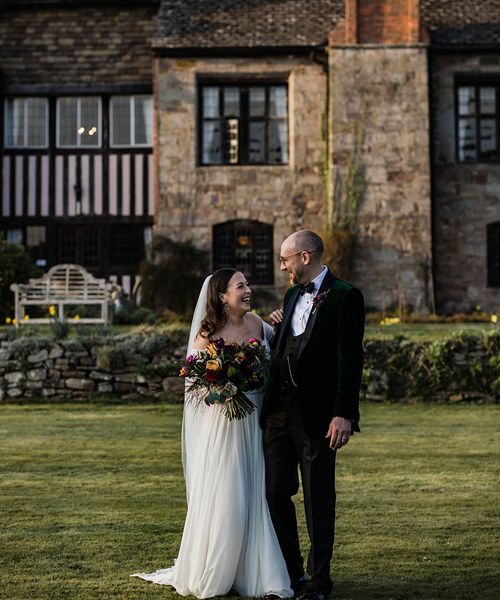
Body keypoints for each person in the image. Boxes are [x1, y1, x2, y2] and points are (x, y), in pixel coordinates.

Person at [132, 268, 293, 600]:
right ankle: (217, 569)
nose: (248, 290)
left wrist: (279, 326)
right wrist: (225, 387)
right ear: (222, 296)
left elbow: (277, 356)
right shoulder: (207, 333)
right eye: (240, 286)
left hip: (254, 422)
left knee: (253, 493)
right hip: (224, 425)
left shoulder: (258, 325)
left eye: (247, 284)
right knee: (227, 494)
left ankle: (254, 572)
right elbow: (198, 386)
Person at [261, 231, 365, 600]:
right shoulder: (291, 296)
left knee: (318, 498)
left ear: (305, 257)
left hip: (319, 416)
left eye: (285, 259)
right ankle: (291, 575)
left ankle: (319, 580)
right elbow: (288, 346)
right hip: (277, 412)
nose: (282, 266)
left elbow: (350, 361)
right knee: (274, 492)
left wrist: (344, 415)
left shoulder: (345, 297)